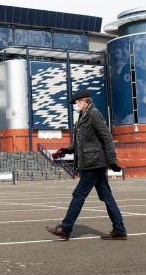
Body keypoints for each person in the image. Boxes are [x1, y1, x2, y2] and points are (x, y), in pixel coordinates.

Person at [46, 89, 128, 241]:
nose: (75, 105)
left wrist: (112, 160)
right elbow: (80, 143)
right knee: (107, 197)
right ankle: (119, 230)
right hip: (92, 163)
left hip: (94, 164)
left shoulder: (94, 114)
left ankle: (65, 228)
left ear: (84, 101)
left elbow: (107, 137)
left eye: (76, 102)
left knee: (78, 195)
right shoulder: (83, 116)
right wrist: (65, 151)